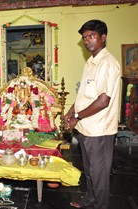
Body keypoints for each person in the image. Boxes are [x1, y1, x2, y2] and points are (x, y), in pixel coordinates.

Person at [64, 20, 120, 209]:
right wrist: (71, 111)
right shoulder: (91, 62)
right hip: (87, 127)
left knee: (99, 174)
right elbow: (85, 94)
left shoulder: (107, 63)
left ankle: (100, 205)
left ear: (103, 37)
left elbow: (103, 100)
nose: (87, 40)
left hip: (100, 128)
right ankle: (89, 201)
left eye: (92, 36)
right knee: (90, 171)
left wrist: (77, 117)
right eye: (85, 37)